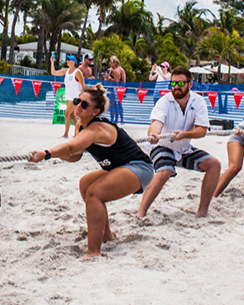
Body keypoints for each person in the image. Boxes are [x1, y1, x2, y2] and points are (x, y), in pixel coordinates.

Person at [28, 84, 153, 259]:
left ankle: (93, 252)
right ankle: (106, 235)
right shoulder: (80, 125)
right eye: (78, 101)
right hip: (119, 167)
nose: (78, 105)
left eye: (84, 104)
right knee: (85, 184)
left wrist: (47, 153)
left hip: (139, 167)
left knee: (95, 193)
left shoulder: (97, 128)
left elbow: (71, 146)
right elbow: (74, 155)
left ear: (96, 111)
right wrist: (56, 156)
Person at [138, 66, 221, 218]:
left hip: (184, 148)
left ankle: (202, 212)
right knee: (165, 171)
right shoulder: (164, 102)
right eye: (173, 83)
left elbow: (201, 130)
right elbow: (156, 122)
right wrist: (154, 134)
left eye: (181, 84)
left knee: (214, 164)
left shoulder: (199, 101)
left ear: (190, 84)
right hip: (161, 146)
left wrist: (184, 135)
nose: (176, 87)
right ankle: (141, 214)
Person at [51, 54, 85, 138]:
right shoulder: (66, 71)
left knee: (66, 114)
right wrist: (52, 63)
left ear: (73, 62)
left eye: (69, 60)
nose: (67, 61)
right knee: (72, 116)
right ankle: (78, 133)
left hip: (75, 96)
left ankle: (66, 134)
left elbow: (83, 85)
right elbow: (53, 72)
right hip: (68, 96)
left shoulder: (77, 72)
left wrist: (82, 96)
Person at [104, 55, 126, 124]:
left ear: (115, 63)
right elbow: (105, 79)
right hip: (111, 88)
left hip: (117, 88)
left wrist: (122, 89)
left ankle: (121, 119)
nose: (110, 63)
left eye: (111, 62)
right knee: (111, 104)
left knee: (118, 104)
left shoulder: (120, 70)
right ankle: (113, 119)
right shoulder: (109, 70)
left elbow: (123, 80)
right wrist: (108, 76)